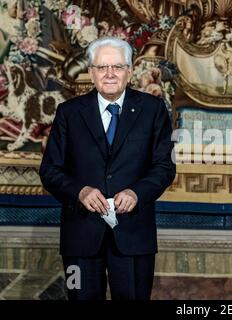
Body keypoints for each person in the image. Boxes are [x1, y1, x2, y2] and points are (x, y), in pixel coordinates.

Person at [39, 37, 176, 300]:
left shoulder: (153, 109)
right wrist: (79, 191)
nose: (110, 74)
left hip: (134, 236)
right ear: (90, 72)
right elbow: (50, 170)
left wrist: (137, 193)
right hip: (80, 238)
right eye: (102, 67)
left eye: (117, 67)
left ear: (130, 71)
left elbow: (164, 167)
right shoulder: (69, 112)